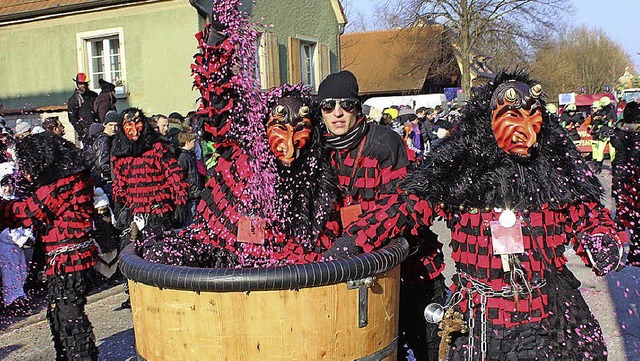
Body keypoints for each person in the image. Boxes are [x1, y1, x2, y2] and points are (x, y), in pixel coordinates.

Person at [328, 71, 626, 361]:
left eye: (532, 118)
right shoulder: (457, 175)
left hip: (546, 315)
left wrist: (600, 238)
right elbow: (405, 207)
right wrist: (354, 240)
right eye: (512, 117)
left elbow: (588, 214)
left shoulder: (555, 175)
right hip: (482, 319)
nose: (526, 131)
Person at [318, 70, 445, 361]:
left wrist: (355, 238)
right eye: (328, 106)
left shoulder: (384, 142)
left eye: (346, 105)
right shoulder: (321, 150)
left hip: (410, 271)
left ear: (357, 107)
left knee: (428, 349)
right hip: (355, 277)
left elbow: (400, 205)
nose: (338, 113)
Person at [0, 131, 100, 360]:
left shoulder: (62, 182)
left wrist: (2, 210)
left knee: (69, 317)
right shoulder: (73, 175)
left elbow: (31, 212)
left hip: (69, 260)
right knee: (60, 314)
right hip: (71, 256)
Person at [111, 108, 189, 232]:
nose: (134, 130)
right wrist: (119, 204)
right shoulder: (121, 154)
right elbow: (120, 183)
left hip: (159, 212)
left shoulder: (157, 147)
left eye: (137, 123)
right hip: (135, 214)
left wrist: (180, 201)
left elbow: (173, 174)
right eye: (129, 125)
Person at [0, 162, 34, 316]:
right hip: (6, 245)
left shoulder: (17, 200)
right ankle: (11, 301)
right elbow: (3, 230)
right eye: (4, 185)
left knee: (21, 271)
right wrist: (19, 239)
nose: (8, 188)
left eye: (10, 184)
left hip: (19, 246)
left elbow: (26, 222)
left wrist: (28, 236)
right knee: (10, 273)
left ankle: (21, 296)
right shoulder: (1, 204)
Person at [612, 101, 640, 265]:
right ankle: (635, 252)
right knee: (637, 216)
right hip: (635, 176)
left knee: (621, 215)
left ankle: (616, 251)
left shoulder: (618, 131)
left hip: (621, 174)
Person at [176, 129, 203, 227]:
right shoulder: (183, 157)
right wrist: (191, 188)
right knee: (190, 215)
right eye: (193, 141)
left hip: (194, 191)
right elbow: (182, 176)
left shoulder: (190, 155)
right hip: (190, 192)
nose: (195, 143)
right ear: (187, 142)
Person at [90, 110, 118, 201]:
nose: (113, 128)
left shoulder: (106, 139)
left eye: (116, 125)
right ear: (105, 125)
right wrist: (115, 175)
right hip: (106, 182)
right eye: (110, 125)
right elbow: (102, 164)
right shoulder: (104, 140)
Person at [67, 72, 98, 144]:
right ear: (77, 85)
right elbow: (72, 118)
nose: (83, 86)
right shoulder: (73, 100)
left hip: (97, 128)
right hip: (85, 132)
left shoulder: (94, 95)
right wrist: (81, 131)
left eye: (84, 84)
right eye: (80, 84)